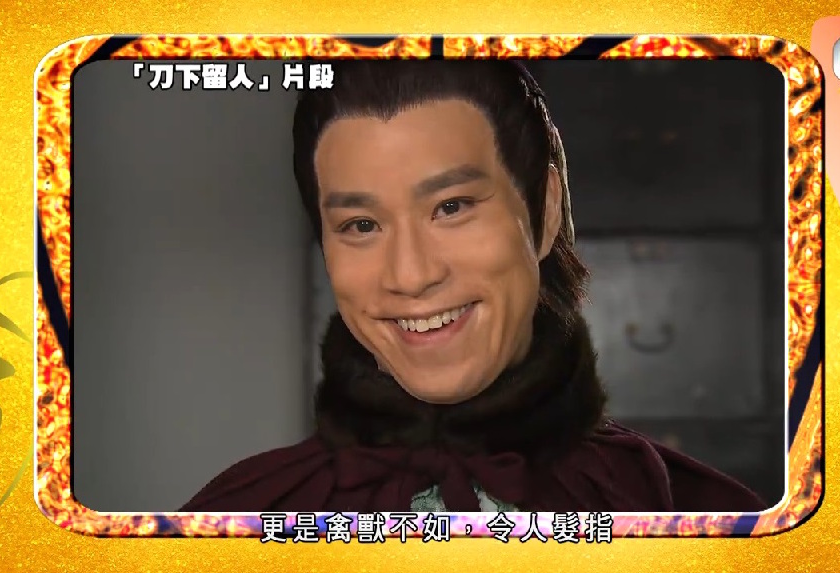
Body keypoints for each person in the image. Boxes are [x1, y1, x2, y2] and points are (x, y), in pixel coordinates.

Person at [181, 60, 766, 513]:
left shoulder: (701, 516)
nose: (411, 275)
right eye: (361, 225)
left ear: (544, 210)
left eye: (452, 206)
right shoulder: (235, 520)